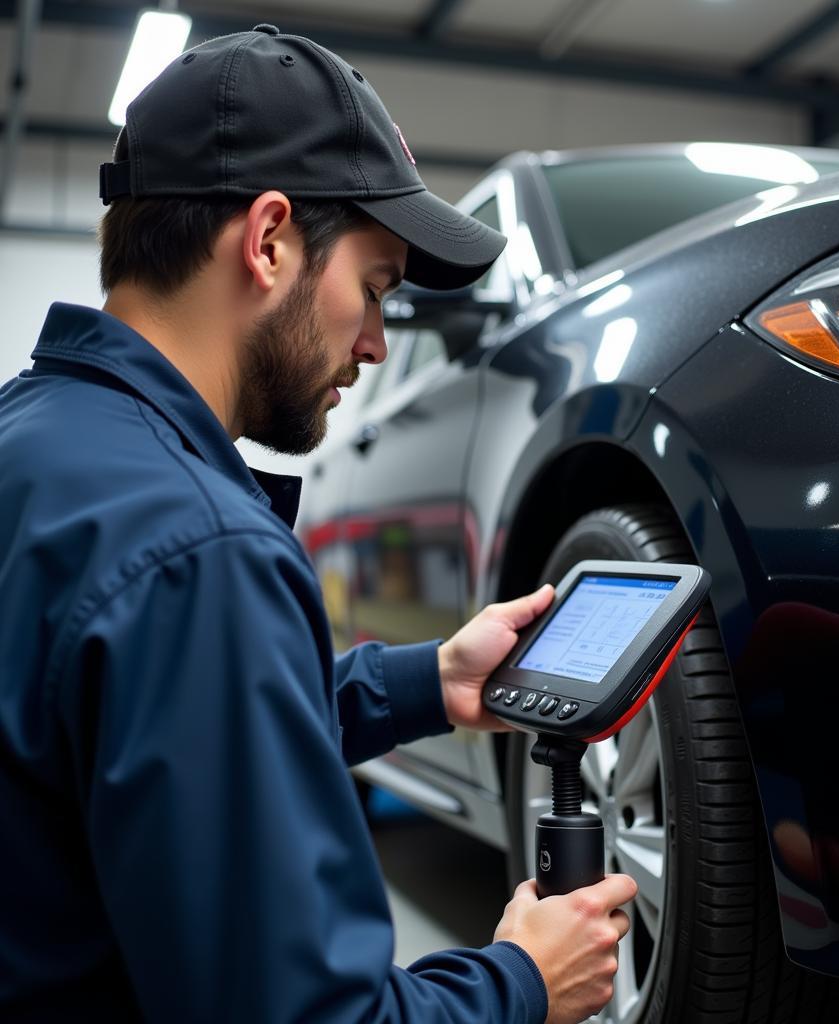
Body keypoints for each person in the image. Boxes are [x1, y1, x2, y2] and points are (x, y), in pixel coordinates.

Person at [0, 23, 637, 1024]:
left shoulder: (35, 446)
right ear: (267, 241)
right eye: (375, 288)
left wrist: (424, 682)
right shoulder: (197, 550)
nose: (379, 343)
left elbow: (148, 735)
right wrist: (519, 980)